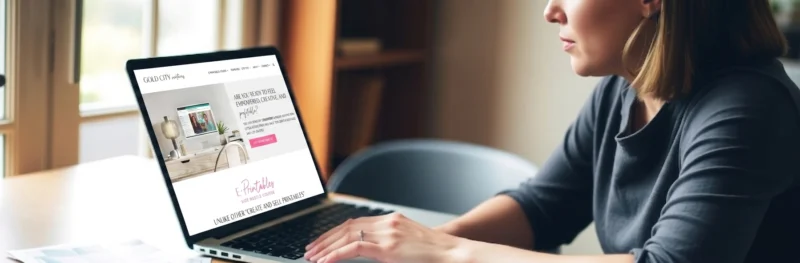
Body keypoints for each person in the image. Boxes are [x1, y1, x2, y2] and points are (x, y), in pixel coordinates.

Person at [304, 0, 800, 262]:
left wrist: (449, 253)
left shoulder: (748, 108)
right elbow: (543, 206)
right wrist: (413, 242)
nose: (550, 10)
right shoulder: (623, 89)